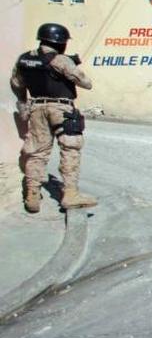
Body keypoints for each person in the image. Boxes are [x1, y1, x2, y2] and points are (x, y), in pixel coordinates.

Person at [10, 23, 98, 213]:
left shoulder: (24, 59)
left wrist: (23, 101)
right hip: (61, 108)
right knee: (70, 148)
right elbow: (86, 83)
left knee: (37, 151)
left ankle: (32, 195)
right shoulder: (60, 60)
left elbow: (16, 83)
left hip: (36, 108)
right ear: (60, 42)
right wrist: (70, 63)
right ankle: (70, 194)